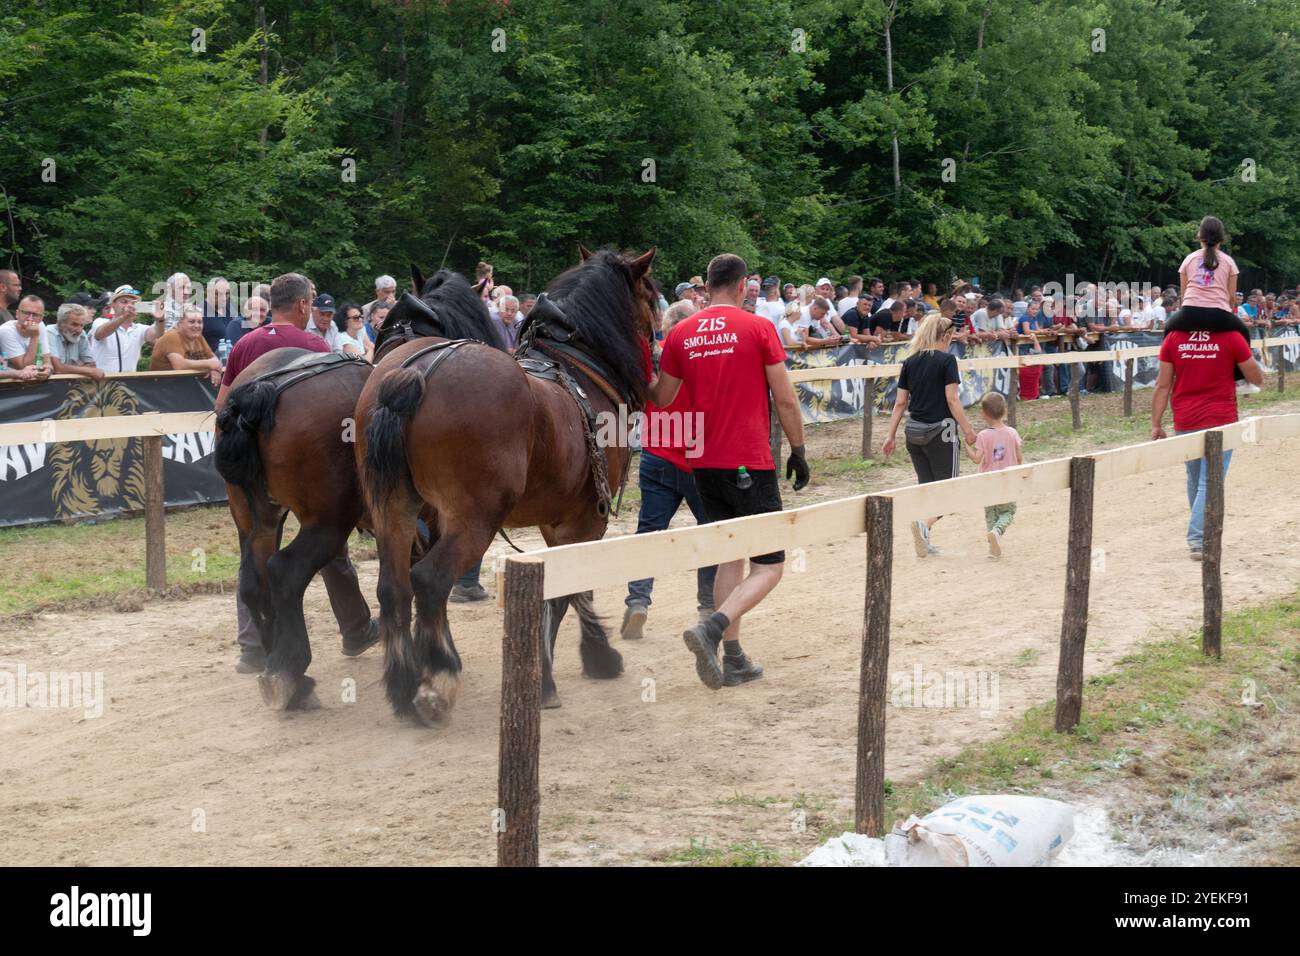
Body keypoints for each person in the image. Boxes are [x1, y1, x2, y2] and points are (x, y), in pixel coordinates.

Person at [648, 252, 809, 690]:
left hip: (702, 462)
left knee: (729, 556)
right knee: (771, 565)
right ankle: (713, 626)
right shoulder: (758, 327)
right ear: (741, 286)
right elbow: (786, 398)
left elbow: (661, 398)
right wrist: (798, 450)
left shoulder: (681, 332)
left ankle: (734, 658)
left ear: (708, 287)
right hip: (748, 460)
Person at [217, 273, 336, 672]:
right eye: (313, 300)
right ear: (303, 305)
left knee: (253, 547)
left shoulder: (246, 343)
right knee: (327, 542)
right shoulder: (316, 344)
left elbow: (223, 407)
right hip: (304, 467)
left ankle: (252, 647)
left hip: (251, 465)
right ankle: (355, 627)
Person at [1152, 218, 1265, 560]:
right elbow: (1231, 298)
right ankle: (1198, 537)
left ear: (1199, 237)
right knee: (1242, 335)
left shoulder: (1187, 259)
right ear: (1222, 238)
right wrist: (1221, 312)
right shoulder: (1229, 262)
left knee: (1194, 478)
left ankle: (1198, 535)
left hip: (1185, 318)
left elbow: (1185, 288)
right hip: (1219, 318)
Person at [880, 312, 978, 558]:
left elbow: (900, 403)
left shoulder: (909, 362)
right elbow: (952, 399)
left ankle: (924, 537)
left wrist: (890, 435)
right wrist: (968, 430)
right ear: (945, 336)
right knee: (950, 491)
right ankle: (923, 525)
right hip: (941, 432)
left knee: (927, 489)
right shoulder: (947, 361)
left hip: (914, 432)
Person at [965, 392, 1023, 558]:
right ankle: (997, 531)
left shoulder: (983, 436)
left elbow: (977, 459)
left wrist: (967, 447)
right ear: (1005, 411)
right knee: (1008, 512)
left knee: (991, 512)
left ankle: (993, 544)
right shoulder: (1012, 433)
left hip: (988, 481)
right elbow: (1019, 458)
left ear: (983, 414)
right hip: (1008, 479)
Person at [91, 285, 166, 373]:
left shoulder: (139, 328)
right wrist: (124, 316)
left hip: (127, 383)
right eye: (124, 302)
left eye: (133, 303)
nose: (129, 306)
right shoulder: (100, 321)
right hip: (103, 383)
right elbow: (101, 333)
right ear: (113, 305)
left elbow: (158, 334)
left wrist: (160, 319)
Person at [150, 304, 223, 386]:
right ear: (179, 323)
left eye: (200, 322)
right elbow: (179, 366)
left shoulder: (198, 337)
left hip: (186, 387)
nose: (197, 326)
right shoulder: (172, 336)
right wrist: (209, 365)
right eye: (192, 322)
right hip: (163, 389)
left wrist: (214, 369)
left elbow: (215, 360)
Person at [0, 295, 55, 375]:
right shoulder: (6, 331)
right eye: (26, 313)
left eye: (35, 315)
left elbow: (47, 362)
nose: (30, 318)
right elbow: (23, 368)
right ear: (17, 314)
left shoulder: (40, 325)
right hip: (10, 384)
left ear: (41, 318)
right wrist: (34, 337)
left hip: (34, 382)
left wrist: (47, 371)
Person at [48, 302, 105, 379]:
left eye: (82, 325)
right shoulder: (49, 332)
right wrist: (88, 371)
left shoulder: (82, 334)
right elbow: (58, 369)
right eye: (74, 325)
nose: (79, 330)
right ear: (60, 323)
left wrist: (67, 368)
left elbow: (92, 365)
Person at [202, 277, 236, 353]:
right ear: (207, 292)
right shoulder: (199, 312)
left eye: (226, 293)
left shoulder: (230, 308)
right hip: (210, 361)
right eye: (217, 294)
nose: (223, 298)